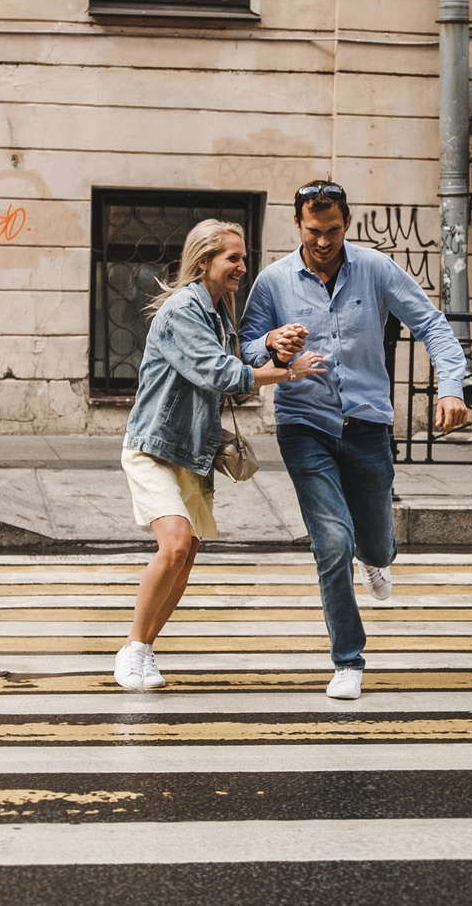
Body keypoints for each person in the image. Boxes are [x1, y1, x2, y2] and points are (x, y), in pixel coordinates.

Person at [241, 181, 471, 701]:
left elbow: (432, 325)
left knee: (375, 541)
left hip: (368, 423)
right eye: (313, 231)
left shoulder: (376, 268)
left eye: (334, 231)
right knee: (332, 542)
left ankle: (378, 557)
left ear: (347, 223)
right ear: (297, 226)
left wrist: (451, 387)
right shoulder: (273, 281)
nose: (323, 242)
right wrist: (271, 345)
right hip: (304, 425)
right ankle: (348, 659)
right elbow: (246, 349)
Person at [116, 220, 324, 691]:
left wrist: (271, 343)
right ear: (204, 260)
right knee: (173, 544)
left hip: (191, 448)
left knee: (186, 552)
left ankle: (146, 649)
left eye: (243, 258)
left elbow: (238, 357)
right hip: (153, 445)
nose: (242, 267)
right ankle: (131, 649)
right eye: (233, 258)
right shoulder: (182, 310)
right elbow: (219, 372)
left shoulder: (217, 310)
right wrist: (289, 374)